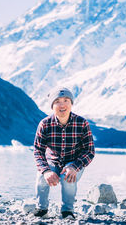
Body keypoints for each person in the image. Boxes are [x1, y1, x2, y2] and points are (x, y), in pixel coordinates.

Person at [33, 87, 95, 219]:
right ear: (52, 106)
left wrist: (75, 166)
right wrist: (46, 171)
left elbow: (89, 151)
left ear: (71, 103)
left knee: (68, 178)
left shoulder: (82, 123)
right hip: (52, 162)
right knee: (41, 176)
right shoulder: (44, 124)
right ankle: (42, 209)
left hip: (74, 162)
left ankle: (67, 211)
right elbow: (38, 151)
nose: (62, 105)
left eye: (66, 100)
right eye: (57, 101)